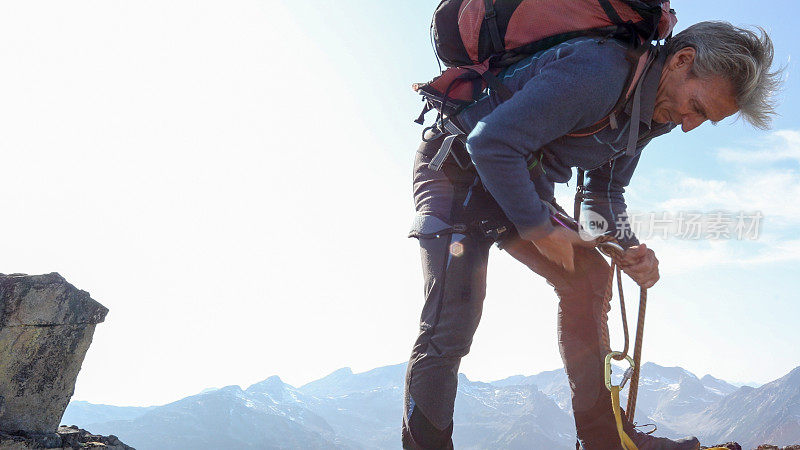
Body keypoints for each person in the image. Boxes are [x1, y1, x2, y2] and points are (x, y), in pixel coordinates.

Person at [402, 21, 782, 450]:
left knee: (589, 278)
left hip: (518, 182)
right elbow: (489, 143)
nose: (689, 125)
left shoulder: (648, 116)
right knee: (452, 320)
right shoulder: (598, 72)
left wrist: (628, 246)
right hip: (455, 171)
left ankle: (608, 441)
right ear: (682, 60)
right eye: (696, 106)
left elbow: (602, 194)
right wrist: (540, 229)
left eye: (705, 120)